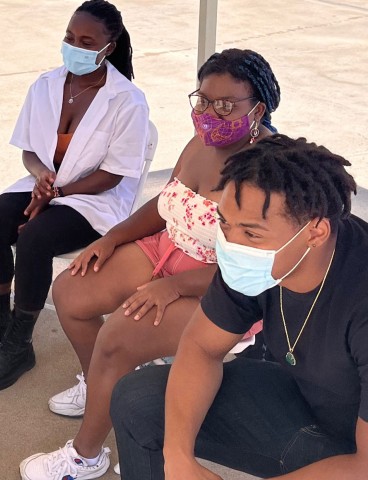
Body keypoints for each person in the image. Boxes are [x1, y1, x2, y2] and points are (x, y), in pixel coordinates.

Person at [19, 48, 280, 480]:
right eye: (203, 100)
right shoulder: (203, 142)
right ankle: (104, 385)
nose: (210, 113)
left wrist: (175, 287)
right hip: (169, 247)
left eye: (226, 104)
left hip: (225, 287)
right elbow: (167, 202)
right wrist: (113, 237)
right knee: (72, 291)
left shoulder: (270, 170)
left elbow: (259, 262)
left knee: (119, 336)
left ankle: (85, 458)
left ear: (259, 107)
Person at [110, 134, 367, 479]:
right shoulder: (259, 257)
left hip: (356, 450)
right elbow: (201, 346)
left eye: (251, 234)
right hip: (306, 401)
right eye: (225, 224)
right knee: (138, 400)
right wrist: (178, 456)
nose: (231, 245)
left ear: (316, 232)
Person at [0, 0, 151, 392]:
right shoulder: (45, 85)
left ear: (108, 48)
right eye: (69, 37)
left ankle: (19, 343)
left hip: (92, 199)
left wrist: (58, 190)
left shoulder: (128, 101)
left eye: (86, 41)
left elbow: (112, 175)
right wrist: (41, 176)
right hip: (47, 185)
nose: (74, 46)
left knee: (35, 237)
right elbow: (29, 149)